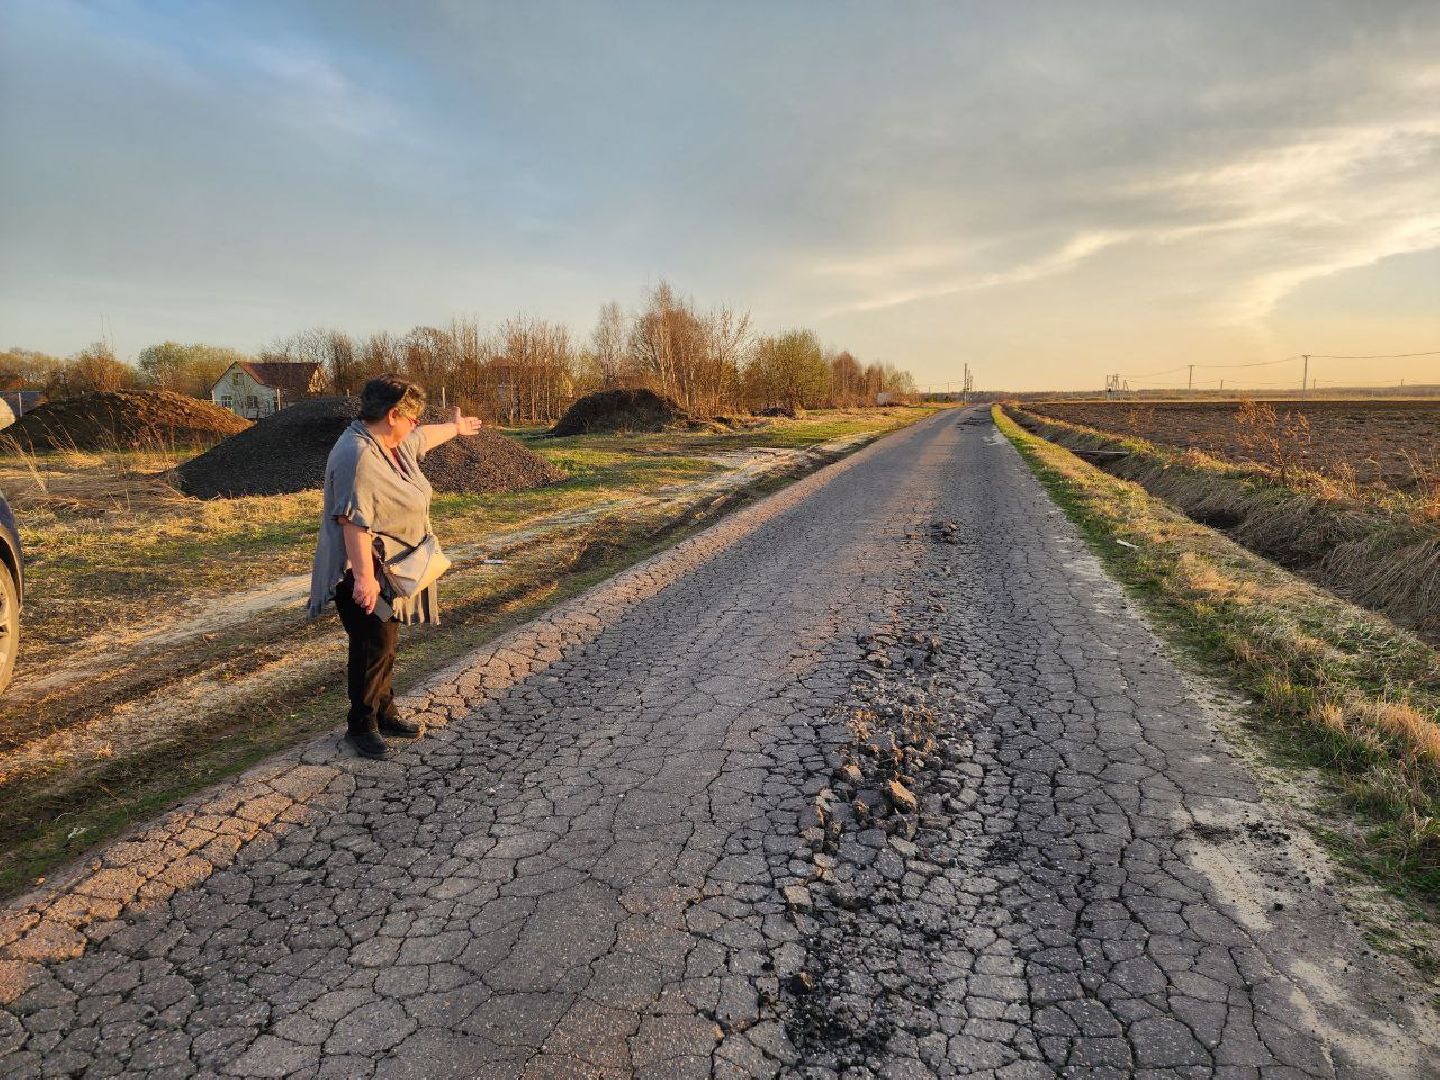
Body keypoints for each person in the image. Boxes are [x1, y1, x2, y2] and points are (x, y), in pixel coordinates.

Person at [308, 375, 483, 758]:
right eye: (412, 417)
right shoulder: (358, 455)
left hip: (387, 566)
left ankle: (384, 712)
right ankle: (362, 724)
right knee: (372, 646)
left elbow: (423, 438)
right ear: (392, 415)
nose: (416, 424)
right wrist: (365, 582)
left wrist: (456, 428)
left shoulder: (391, 444)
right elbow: (352, 520)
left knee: (385, 644)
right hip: (360, 570)